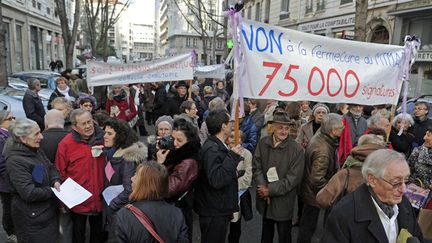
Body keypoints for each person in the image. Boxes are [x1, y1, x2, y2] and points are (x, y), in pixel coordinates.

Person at [322, 149, 423, 243]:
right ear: (372, 180)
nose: (404, 190)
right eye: (396, 182)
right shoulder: (343, 214)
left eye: (406, 180)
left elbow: (418, 237)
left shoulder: (404, 204)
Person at [5, 118, 61, 242]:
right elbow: (29, 193)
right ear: (23, 138)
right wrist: (54, 191)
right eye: (36, 134)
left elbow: (50, 167)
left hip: (46, 214)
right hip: (32, 220)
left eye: (40, 132)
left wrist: (55, 180)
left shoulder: (35, 150)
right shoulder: (15, 161)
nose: (41, 137)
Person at [55, 109, 106, 243]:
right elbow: (60, 172)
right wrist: (63, 201)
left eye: (90, 122)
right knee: (78, 236)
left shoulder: (104, 138)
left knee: (98, 235)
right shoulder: (66, 144)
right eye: (83, 124)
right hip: (78, 202)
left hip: (100, 199)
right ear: (74, 127)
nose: (88, 126)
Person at [253, 111, 305, 243]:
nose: (284, 131)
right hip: (264, 199)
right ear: (273, 127)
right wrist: (261, 186)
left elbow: (293, 179)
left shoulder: (296, 150)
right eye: (280, 127)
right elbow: (256, 166)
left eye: (287, 128)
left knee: (284, 235)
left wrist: (269, 190)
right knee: (266, 234)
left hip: (283, 201)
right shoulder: (263, 143)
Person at [194, 109, 242, 243]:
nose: (232, 124)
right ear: (223, 126)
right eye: (229, 122)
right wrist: (232, 157)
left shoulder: (216, 145)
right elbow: (217, 179)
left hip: (217, 207)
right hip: (214, 210)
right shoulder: (212, 149)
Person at [114, 162, 189, 242]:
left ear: (144, 184)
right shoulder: (176, 213)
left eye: (136, 176)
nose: (132, 178)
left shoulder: (124, 215)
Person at [298, 113, 344, 243]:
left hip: (309, 191)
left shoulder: (321, 135)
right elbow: (317, 179)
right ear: (333, 131)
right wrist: (329, 192)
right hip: (313, 195)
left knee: (307, 224)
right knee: (308, 226)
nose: (343, 129)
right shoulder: (323, 150)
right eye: (341, 127)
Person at [156, 118, 200, 240]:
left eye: (179, 140)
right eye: (173, 138)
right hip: (173, 209)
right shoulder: (177, 153)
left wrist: (160, 165)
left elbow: (168, 188)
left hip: (178, 211)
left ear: (189, 141)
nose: (174, 144)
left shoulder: (188, 163)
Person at [316, 134, 386, 209]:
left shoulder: (345, 174)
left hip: (346, 218)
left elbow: (322, 199)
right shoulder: (389, 173)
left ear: (360, 147)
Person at [103, 118, 147, 238]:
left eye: (109, 133)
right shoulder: (117, 150)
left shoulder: (128, 159)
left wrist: (112, 205)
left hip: (120, 210)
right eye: (105, 132)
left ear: (121, 136)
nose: (105, 136)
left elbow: (129, 189)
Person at [226, 131, 253, 243]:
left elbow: (247, 177)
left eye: (238, 137)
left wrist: (232, 186)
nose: (234, 139)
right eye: (231, 136)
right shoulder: (222, 152)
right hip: (222, 196)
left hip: (238, 195)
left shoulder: (246, 154)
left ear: (241, 140)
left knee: (235, 228)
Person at [407, 125, 432, 209]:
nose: (424, 138)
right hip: (414, 194)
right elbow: (409, 169)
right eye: (425, 134)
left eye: (428, 135)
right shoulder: (418, 151)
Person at [0, 111, 15, 243]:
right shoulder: (1, 138)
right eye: (9, 118)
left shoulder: (10, 135)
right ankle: (10, 232)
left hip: (12, 180)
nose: (13, 120)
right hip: (5, 182)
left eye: (13, 117)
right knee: (8, 207)